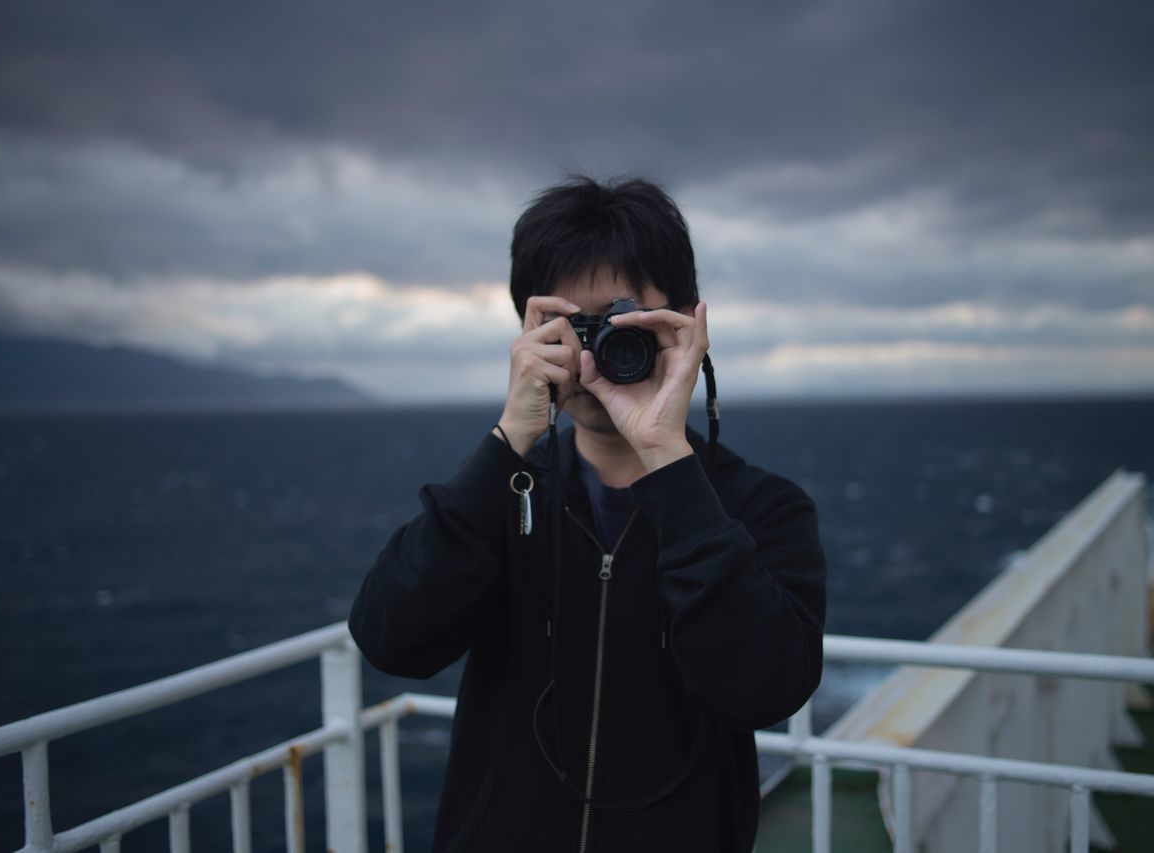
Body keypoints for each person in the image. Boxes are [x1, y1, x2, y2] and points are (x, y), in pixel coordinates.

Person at [349, 175, 828, 852]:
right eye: (572, 327)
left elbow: (767, 687)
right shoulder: (508, 493)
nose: (596, 352)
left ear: (688, 324)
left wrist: (665, 455)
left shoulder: (758, 508)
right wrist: (509, 441)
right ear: (530, 331)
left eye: (621, 322)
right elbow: (389, 638)